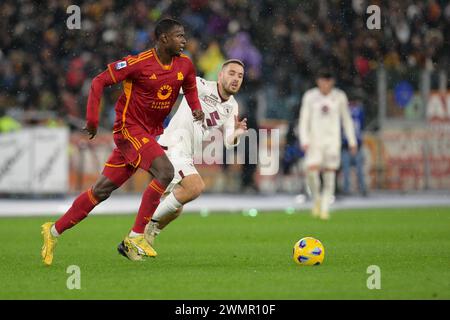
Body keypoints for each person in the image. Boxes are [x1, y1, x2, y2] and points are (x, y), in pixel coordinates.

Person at [41, 18, 205, 265]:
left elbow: (190, 86)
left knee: (101, 191)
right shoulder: (138, 63)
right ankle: (136, 236)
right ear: (163, 39)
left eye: (184, 36)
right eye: (179, 36)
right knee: (165, 171)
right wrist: (93, 120)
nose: (184, 40)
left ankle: (52, 231)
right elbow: (99, 81)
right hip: (128, 129)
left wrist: (196, 109)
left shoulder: (185, 65)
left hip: (148, 134)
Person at [142, 59, 247, 248]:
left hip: (185, 154)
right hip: (172, 146)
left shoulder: (233, 106)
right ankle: (142, 228)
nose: (236, 79)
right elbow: (170, 85)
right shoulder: (200, 85)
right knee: (195, 187)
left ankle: (147, 236)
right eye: (231, 73)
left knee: (175, 209)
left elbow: (229, 141)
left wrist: (237, 134)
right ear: (220, 75)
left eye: (240, 76)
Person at [299, 68, 357, 220]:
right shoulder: (310, 96)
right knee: (311, 172)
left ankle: (324, 208)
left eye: (328, 80)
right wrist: (304, 139)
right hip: (314, 141)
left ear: (332, 81)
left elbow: (347, 120)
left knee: (330, 175)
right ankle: (316, 198)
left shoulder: (339, 97)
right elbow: (304, 119)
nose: (325, 84)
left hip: (332, 142)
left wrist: (352, 140)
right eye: (322, 80)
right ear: (318, 81)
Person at [341, 100, 367, 196]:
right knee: (347, 171)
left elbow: (361, 126)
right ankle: (347, 189)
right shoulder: (343, 111)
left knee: (359, 170)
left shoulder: (358, 111)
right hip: (346, 146)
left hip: (356, 146)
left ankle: (362, 189)